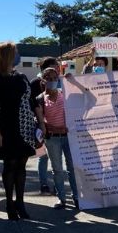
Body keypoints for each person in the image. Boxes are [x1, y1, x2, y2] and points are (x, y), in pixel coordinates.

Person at [0, 42, 44, 220]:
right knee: (10, 165)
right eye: (16, 52)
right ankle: (9, 203)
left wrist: (41, 123)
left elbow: (33, 102)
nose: (18, 55)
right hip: (7, 127)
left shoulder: (21, 77)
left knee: (21, 165)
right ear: (7, 56)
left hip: (26, 127)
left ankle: (20, 202)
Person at [37, 67, 79, 209]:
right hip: (52, 139)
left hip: (68, 137)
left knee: (72, 168)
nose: (52, 80)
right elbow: (41, 122)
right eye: (49, 78)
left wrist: (73, 81)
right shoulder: (40, 99)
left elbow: (84, 96)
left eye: (55, 77)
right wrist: (56, 129)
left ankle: (77, 198)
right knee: (57, 170)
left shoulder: (64, 94)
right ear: (43, 80)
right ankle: (61, 199)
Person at [30, 57, 57, 196]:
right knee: (43, 156)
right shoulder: (35, 83)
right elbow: (32, 104)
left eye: (57, 66)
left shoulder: (59, 82)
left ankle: (58, 186)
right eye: (53, 66)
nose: (56, 68)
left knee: (56, 157)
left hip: (57, 126)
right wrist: (41, 122)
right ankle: (44, 184)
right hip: (41, 125)